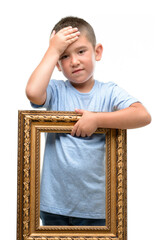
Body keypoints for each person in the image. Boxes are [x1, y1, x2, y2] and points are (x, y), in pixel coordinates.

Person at [26, 16, 151, 226]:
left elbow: (142, 115)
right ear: (57, 63)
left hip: (95, 206)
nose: (74, 61)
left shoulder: (109, 92)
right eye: (64, 56)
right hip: (54, 204)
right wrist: (52, 50)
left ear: (97, 52)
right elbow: (32, 92)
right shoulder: (56, 90)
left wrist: (97, 119)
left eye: (81, 51)